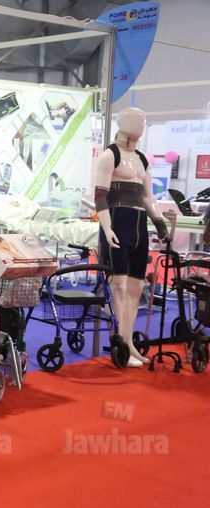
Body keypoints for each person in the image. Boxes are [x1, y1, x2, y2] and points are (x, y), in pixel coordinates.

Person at [95, 107, 170, 368]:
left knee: (136, 288)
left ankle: (129, 341)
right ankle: (120, 344)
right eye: (138, 120)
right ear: (123, 122)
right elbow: (100, 196)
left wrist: (159, 222)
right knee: (118, 285)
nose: (141, 124)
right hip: (117, 223)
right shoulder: (110, 155)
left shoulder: (142, 159)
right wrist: (107, 228)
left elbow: (148, 196)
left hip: (139, 225)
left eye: (143, 120)